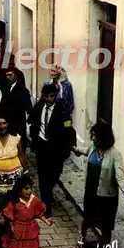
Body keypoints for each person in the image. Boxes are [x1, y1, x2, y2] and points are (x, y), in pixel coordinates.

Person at [72, 121, 124, 247]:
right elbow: (85, 150)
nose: (93, 138)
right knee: (87, 219)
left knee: (106, 226)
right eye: (92, 135)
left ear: (104, 137)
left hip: (107, 197)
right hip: (91, 192)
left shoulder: (115, 154)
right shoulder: (92, 147)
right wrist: (75, 149)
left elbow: (120, 177)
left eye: (96, 136)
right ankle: (83, 235)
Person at [28, 84, 76, 217]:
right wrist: (34, 136)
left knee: (54, 175)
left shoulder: (62, 110)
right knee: (43, 177)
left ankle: (47, 195)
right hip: (42, 146)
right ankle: (45, 206)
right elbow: (31, 120)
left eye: (52, 96)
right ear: (43, 96)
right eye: (47, 96)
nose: (49, 99)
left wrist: (72, 144)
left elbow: (68, 128)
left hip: (57, 149)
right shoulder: (39, 107)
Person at [1, 175, 53, 248]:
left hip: (30, 229)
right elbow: (9, 214)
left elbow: (39, 214)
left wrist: (46, 221)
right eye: (26, 188)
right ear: (19, 190)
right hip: (18, 230)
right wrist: (10, 225)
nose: (29, 191)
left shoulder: (35, 200)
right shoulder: (15, 202)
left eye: (30, 188)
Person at [0, 68, 32, 153]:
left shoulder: (23, 90)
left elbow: (28, 108)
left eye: (10, 75)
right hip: (7, 123)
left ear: (16, 76)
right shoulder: (6, 88)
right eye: (7, 75)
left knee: (19, 148)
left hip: (18, 123)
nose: (8, 77)